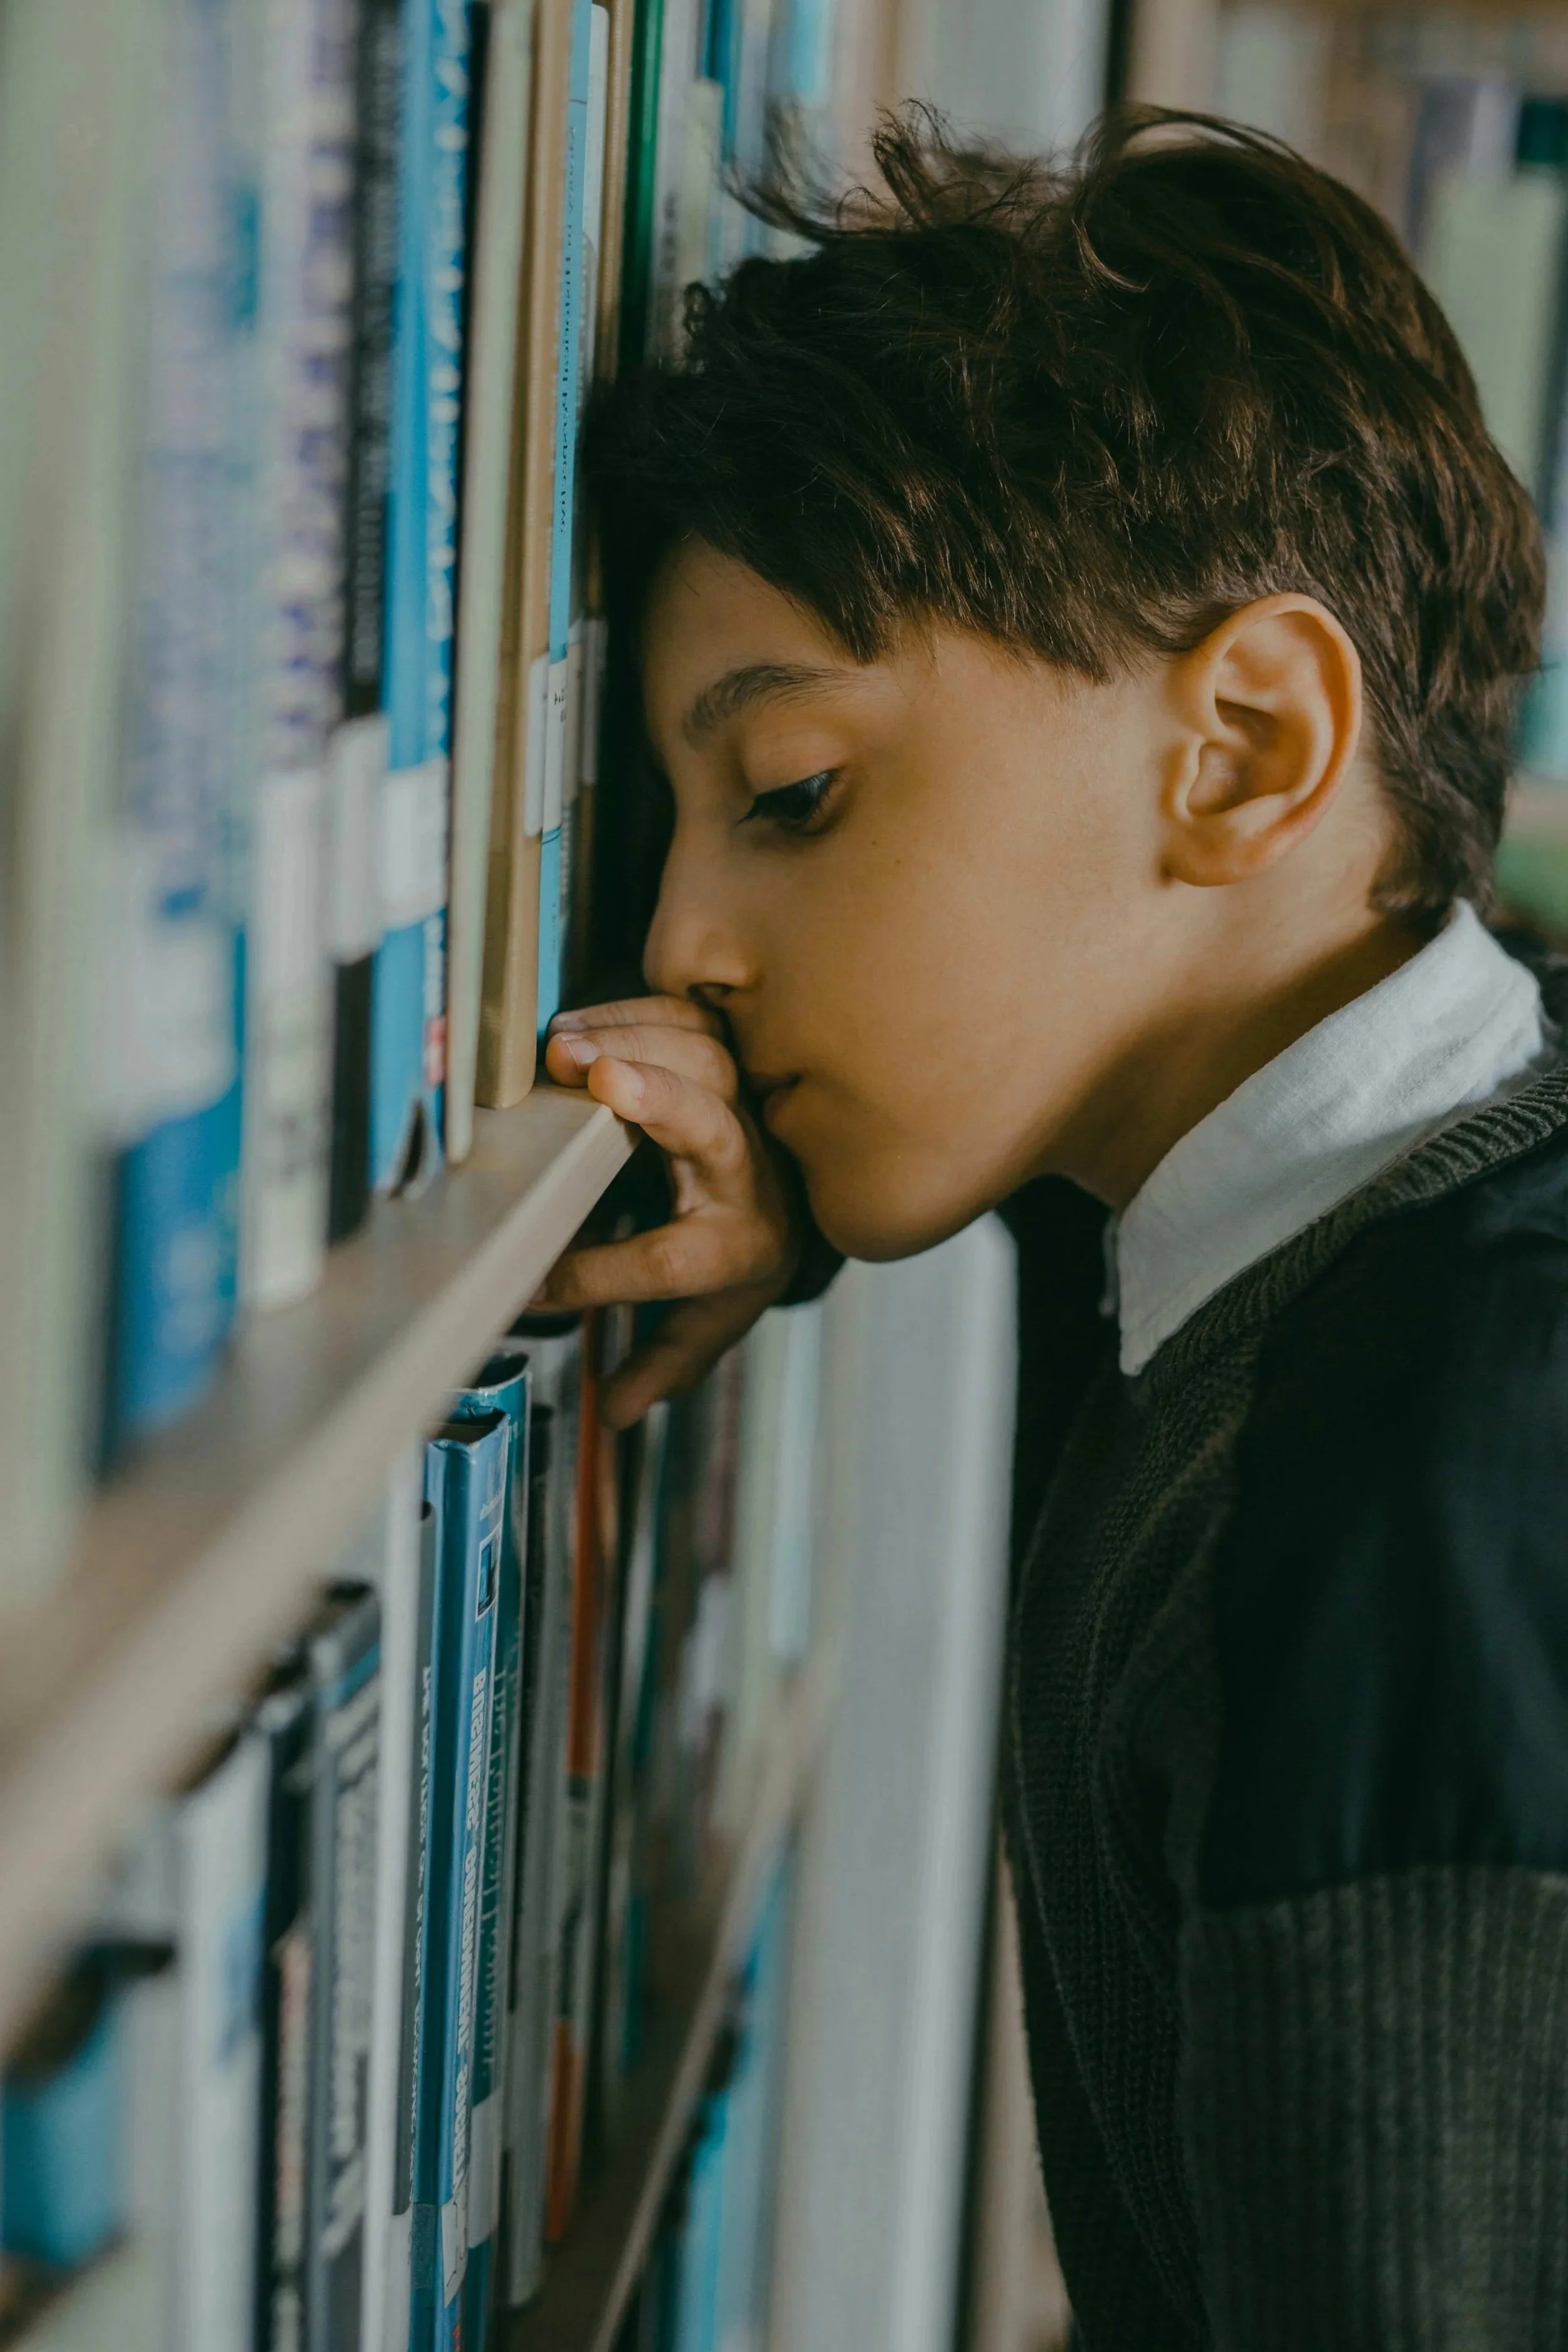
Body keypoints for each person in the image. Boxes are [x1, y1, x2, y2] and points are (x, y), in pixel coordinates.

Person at [534, 107, 1568, 2346]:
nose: (679, 937)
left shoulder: (1408, 1500)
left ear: (1242, 748)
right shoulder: (1431, 1213)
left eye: (792, 795)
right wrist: (804, 1192)